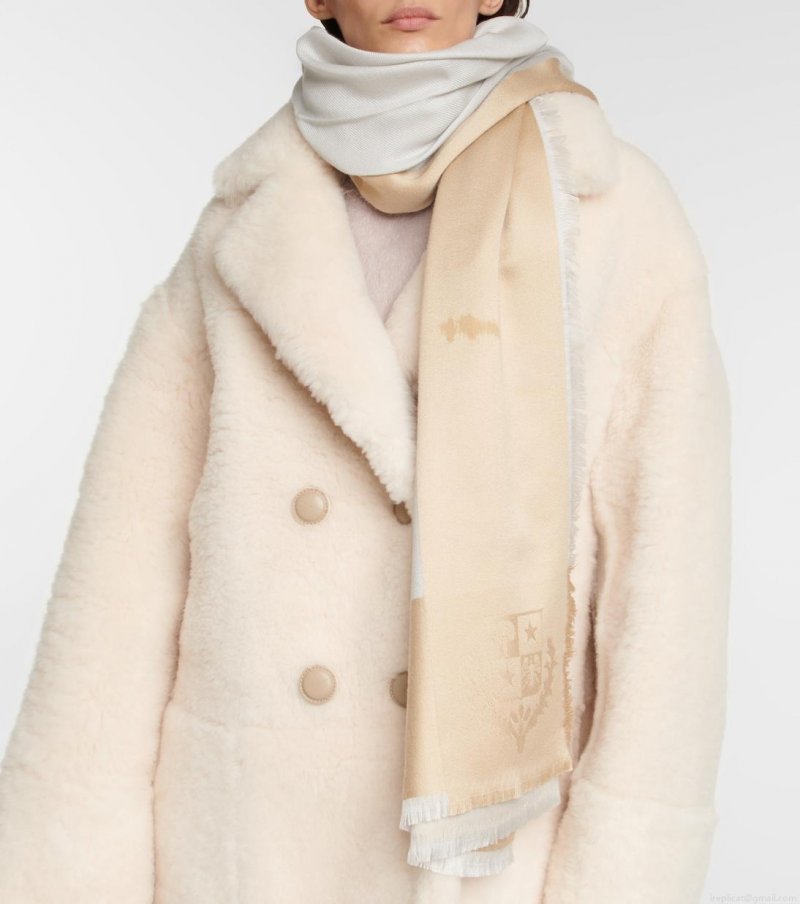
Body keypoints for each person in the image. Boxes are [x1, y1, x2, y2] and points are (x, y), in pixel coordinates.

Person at [0, 1, 731, 902]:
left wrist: (625, 872)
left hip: (493, 847)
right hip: (246, 838)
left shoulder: (611, 212)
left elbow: (667, 585)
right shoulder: (246, 221)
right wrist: (67, 862)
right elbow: (121, 572)